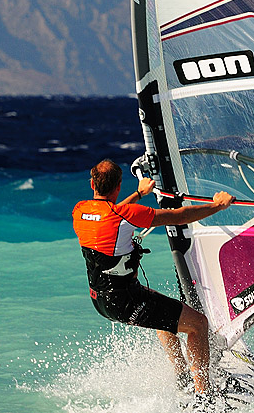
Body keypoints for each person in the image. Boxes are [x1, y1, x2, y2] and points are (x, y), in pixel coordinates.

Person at [72, 158, 234, 407]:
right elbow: (178, 217)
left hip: (101, 301)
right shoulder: (125, 214)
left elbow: (109, 215)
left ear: (92, 183)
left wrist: (138, 193)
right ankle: (204, 396)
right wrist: (217, 206)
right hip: (125, 301)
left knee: (162, 314)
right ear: (118, 186)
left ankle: (182, 378)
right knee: (198, 324)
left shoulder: (80, 210)